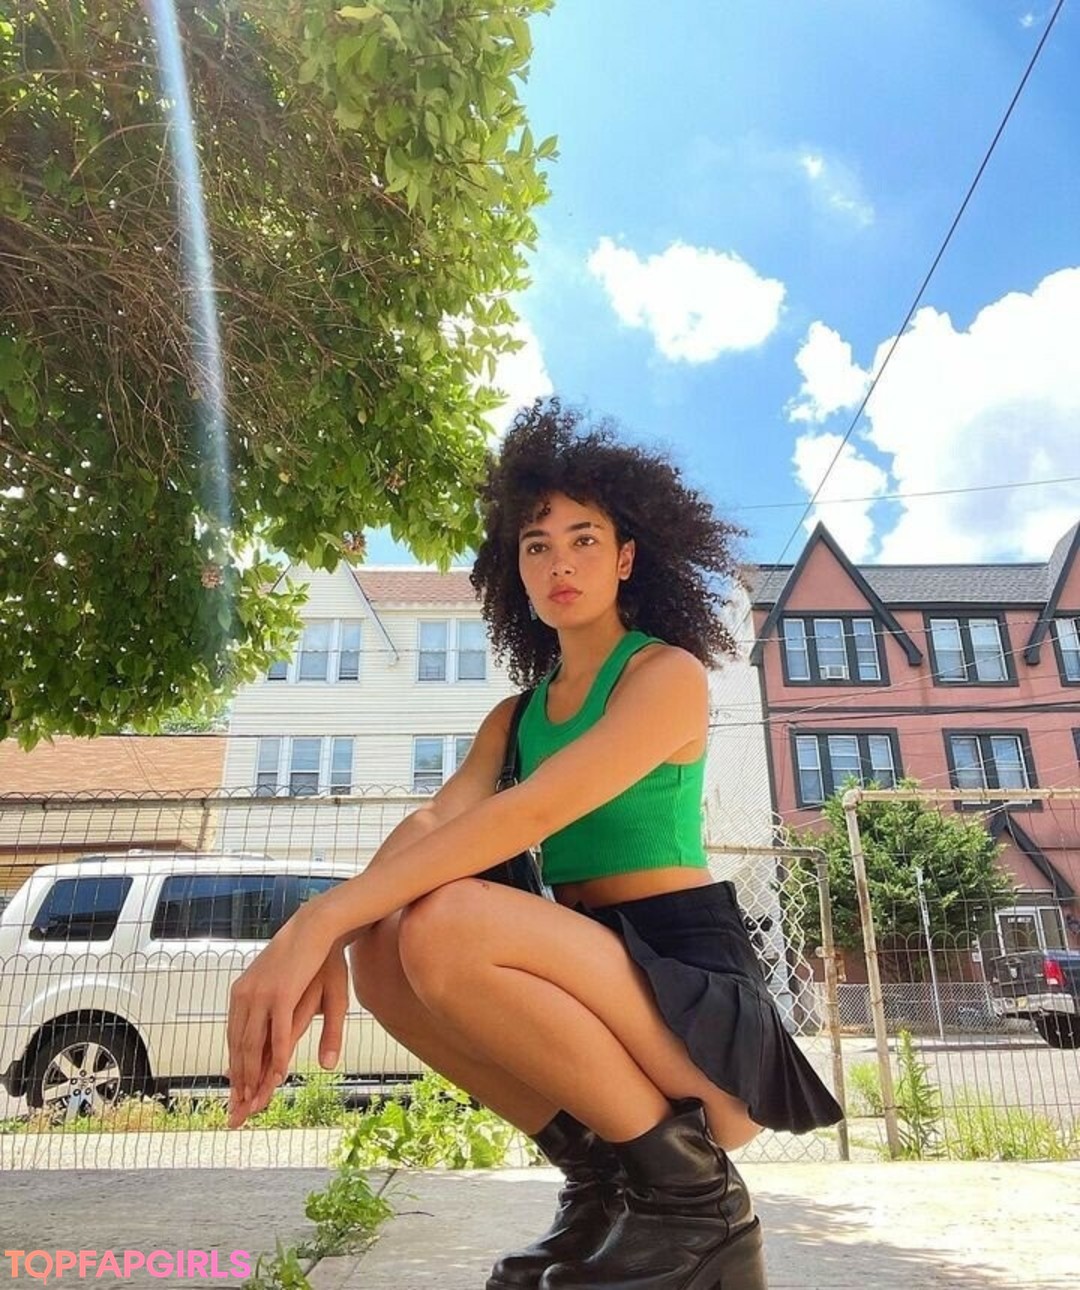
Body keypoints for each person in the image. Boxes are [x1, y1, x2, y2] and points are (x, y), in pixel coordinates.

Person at [227, 400, 843, 1290]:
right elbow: (433, 826)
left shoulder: (664, 674)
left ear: (626, 557)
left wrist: (316, 920)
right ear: (513, 569)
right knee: (384, 947)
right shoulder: (513, 719)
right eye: (536, 544)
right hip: (597, 988)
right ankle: (605, 1183)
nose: (560, 563)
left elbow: (527, 814)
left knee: (447, 921)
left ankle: (696, 1202)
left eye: (585, 539)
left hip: (696, 1013)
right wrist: (332, 929)